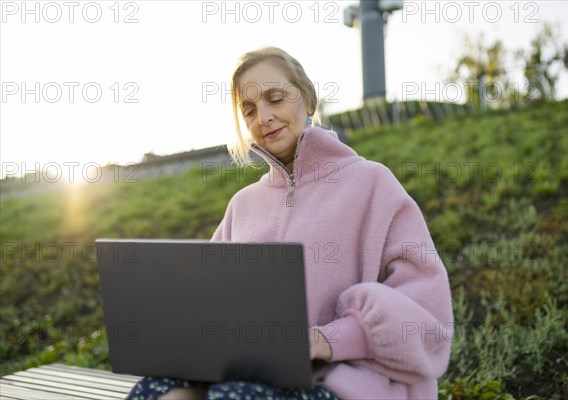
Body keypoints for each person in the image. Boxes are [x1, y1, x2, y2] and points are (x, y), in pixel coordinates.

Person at [126, 47, 454, 400]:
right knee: (154, 390)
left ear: (308, 99)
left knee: (235, 396)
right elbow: (209, 303)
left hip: (354, 384)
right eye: (249, 110)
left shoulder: (373, 183)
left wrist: (329, 340)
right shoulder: (242, 206)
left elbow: (428, 315)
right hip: (254, 373)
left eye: (276, 98)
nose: (263, 117)